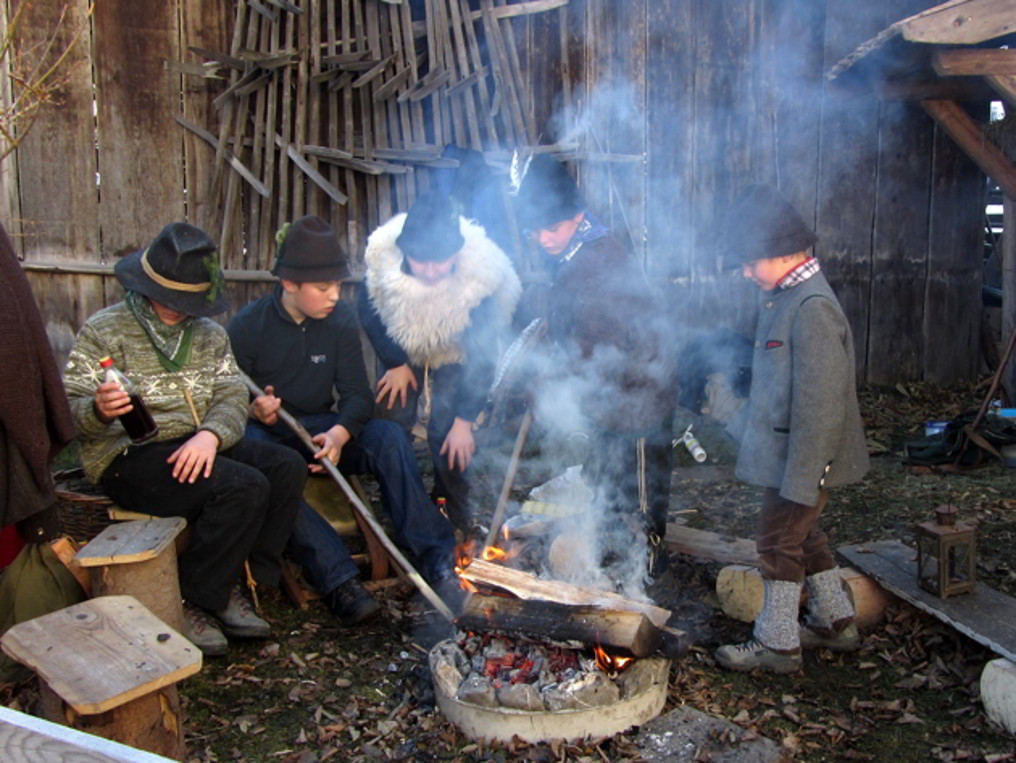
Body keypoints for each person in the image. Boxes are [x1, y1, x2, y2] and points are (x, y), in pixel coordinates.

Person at [63, 222, 304, 656]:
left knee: (285, 467)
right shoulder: (104, 330)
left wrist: (211, 436)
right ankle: (194, 598)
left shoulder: (210, 335)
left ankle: (239, 581)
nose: (179, 309)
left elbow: (232, 394)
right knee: (243, 486)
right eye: (172, 299)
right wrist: (98, 410)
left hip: (197, 442)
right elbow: (69, 412)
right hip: (129, 456)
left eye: (189, 301)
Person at [228, 215, 459, 620]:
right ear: (289, 285)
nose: (335, 295)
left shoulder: (339, 320)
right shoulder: (248, 326)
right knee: (273, 471)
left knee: (388, 437)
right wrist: (252, 409)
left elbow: (356, 396)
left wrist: (337, 434)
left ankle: (437, 559)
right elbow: (226, 399)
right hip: (268, 437)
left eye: (337, 285)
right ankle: (340, 581)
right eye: (323, 288)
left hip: (320, 428)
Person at [713, 184, 870, 674]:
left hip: (803, 461)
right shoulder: (786, 296)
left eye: (749, 261)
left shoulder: (811, 308)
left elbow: (821, 409)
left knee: (776, 543)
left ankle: (777, 643)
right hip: (791, 459)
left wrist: (805, 479)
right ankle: (836, 621)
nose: (744, 272)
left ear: (781, 254)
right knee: (804, 537)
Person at [512, 154, 676, 582]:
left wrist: (547, 384)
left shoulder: (598, 262)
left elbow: (593, 347)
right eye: (536, 230)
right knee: (607, 484)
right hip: (607, 401)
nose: (544, 238)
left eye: (553, 227)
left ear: (577, 216)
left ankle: (647, 575)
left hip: (640, 399)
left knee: (639, 494)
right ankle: (614, 560)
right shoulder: (574, 254)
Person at [358, 192, 521, 535]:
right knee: (391, 418)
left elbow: (482, 358)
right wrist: (396, 362)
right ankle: (401, 505)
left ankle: (454, 505)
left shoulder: (479, 284)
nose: (431, 271)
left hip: (457, 345)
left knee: (447, 432)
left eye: (440, 261)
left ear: (457, 254)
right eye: (421, 261)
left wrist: (464, 421)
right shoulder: (384, 265)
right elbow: (370, 312)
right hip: (405, 339)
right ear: (405, 253)